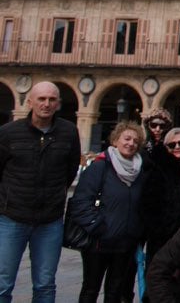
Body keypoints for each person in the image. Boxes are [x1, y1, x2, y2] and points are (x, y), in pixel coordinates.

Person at [0, 81, 82, 303]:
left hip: (49, 221)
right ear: (30, 102)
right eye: (41, 99)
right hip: (12, 218)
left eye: (52, 99)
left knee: (45, 284)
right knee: (2, 283)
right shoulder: (8, 133)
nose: (46, 104)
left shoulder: (68, 132)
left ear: (58, 104)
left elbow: (71, 168)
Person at [68, 120, 149, 303]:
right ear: (115, 141)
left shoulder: (139, 171)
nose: (131, 144)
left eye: (136, 141)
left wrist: (137, 230)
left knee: (115, 291)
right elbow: (80, 202)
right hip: (99, 242)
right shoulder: (100, 167)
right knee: (91, 289)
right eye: (126, 139)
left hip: (125, 242)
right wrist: (96, 226)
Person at [141, 127, 180, 284]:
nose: (177, 147)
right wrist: (158, 229)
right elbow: (147, 204)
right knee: (160, 278)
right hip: (162, 237)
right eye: (172, 145)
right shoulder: (157, 167)